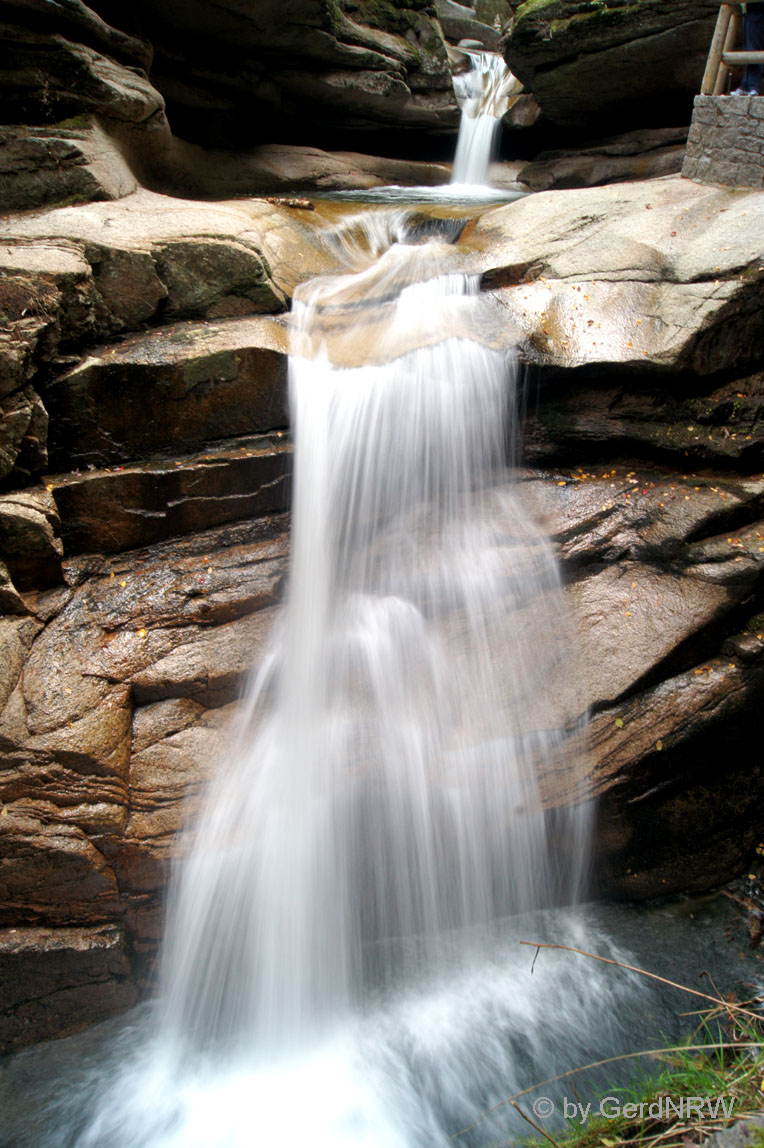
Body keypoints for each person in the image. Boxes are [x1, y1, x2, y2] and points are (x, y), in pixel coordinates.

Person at [731, 1, 764, 95]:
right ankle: (746, 85)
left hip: (756, 10)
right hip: (749, 11)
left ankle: (753, 86)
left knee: (753, 48)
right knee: (749, 48)